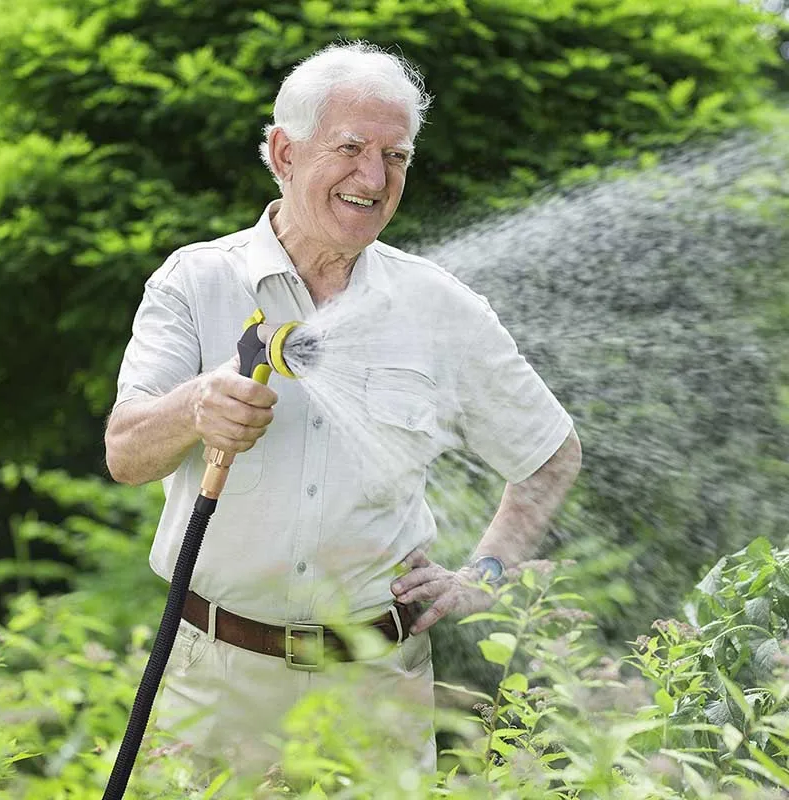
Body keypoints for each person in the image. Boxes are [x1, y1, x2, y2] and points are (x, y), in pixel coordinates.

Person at [105, 41, 581, 778]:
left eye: (396, 156)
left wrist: (484, 574)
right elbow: (125, 453)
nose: (374, 177)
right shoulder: (195, 283)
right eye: (351, 148)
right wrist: (196, 407)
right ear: (284, 153)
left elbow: (550, 452)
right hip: (217, 679)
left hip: (377, 686)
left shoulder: (438, 306)